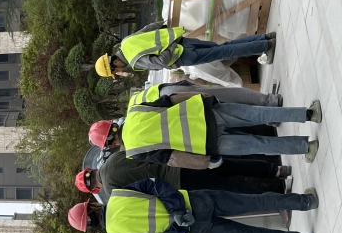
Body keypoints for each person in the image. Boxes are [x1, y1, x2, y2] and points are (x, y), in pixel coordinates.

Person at [68, 179, 318, 233]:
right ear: (93, 208)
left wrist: (179, 227)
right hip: (196, 202)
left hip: (195, 231)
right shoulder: (118, 194)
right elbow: (156, 184)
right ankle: (305, 201)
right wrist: (177, 210)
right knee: (254, 202)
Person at [88, 93, 322, 166]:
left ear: (110, 144)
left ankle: (306, 146)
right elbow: (172, 99)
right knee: (257, 114)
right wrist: (203, 97)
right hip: (206, 113)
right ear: (113, 124)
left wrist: (206, 162)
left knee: (259, 145)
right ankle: (308, 114)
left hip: (208, 143)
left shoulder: (135, 152)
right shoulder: (136, 111)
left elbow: (172, 158)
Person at [76, 154, 289, 202]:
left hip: (177, 183)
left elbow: (145, 197)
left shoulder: (112, 190)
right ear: (91, 170)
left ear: (94, 189)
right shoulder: (113, 158)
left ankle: (275, 195)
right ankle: (277, 170)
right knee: (229, 165)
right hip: (179, 161)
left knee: (228, 187)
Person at [95, 23, 275, 77]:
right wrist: (168, 33)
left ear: (115, 63)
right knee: (224, 47)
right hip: (183, 41)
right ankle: (264, 38)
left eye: (116, 70)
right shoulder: (126, 42)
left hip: (182, 55)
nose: (120, 72)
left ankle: (265, 46)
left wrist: (172, 47)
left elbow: (162, 61)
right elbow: (150, 28)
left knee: (225, 52)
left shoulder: (134, 61)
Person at [127, 80, 284, 111]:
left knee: (227, 105)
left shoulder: (132, 117)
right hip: (171, 91)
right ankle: (270, 106)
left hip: (173, 100)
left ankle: (270, 106)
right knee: (227, 95)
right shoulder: (133, 102)